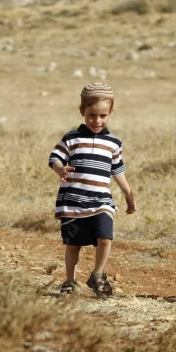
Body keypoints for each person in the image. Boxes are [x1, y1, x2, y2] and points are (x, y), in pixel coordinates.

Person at [49, 83, 136, 298]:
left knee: (105, 238)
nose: (97, 121)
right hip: (74, 202)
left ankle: (97, 274)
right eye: (91, 115)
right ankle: (70, 281)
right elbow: (55, 158)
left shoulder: (114, 142)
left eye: (102, 116)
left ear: (111, 113)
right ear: (82, 111)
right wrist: (60, 168)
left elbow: (117, 169)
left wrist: (128, 194)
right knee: (73, 245)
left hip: (101, 201)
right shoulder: (71, 138)